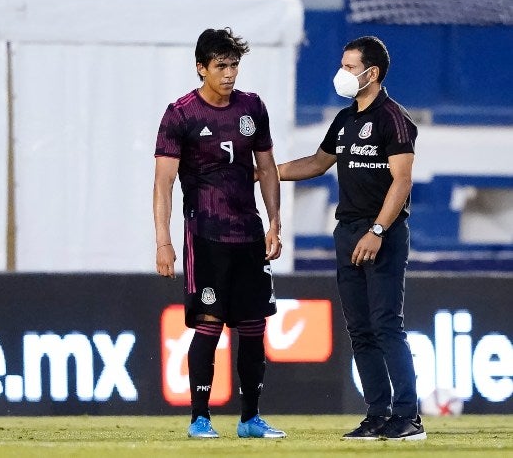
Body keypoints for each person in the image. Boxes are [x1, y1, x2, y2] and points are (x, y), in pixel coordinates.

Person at [277, 36, 426, 441]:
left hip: (382, 233)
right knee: (359, 328)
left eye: (348, 66)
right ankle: (377, 413)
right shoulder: (345, 119)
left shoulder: (394, 118)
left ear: (371, 73)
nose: (341, 73)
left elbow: (403, 180)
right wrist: (265, 172)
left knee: (385, 324)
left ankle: (408, 416)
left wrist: (378, 230)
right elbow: (316, 162)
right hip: (346, 232)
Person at [153, 27, 285, 439]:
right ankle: (200, 418)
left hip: (249, 233)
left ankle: (250, 419)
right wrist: (164, 241)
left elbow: (267, 168)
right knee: (209, 326)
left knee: (254, 328)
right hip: (206, 234)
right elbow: (163, 184)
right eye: (221, 66)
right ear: (201, 68)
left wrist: (275, 222)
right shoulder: (181, 114)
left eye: (234, 65)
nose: (229, 74)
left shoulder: (252, 108)